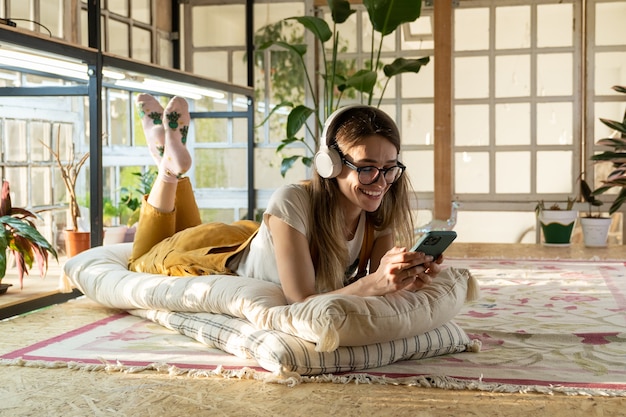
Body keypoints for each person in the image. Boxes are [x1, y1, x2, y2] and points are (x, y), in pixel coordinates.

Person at [129, 94, 444, 304]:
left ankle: (167, 159)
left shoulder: (378, 205)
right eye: (366, 168)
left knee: (180, 231)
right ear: (329, 164)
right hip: (213, 260)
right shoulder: (293, 199)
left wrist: (405, 276)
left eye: (389, 169)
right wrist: (377, 282)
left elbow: (378, 287)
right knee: (140, 261)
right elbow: (302, 301)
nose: (380, 182)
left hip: (246, 236)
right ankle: (170, 170)